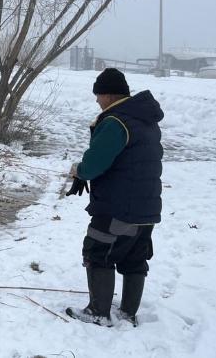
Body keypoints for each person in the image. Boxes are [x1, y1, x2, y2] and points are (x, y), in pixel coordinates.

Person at [65, 68, 164, 327]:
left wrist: (80, 170)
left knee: (98, 251)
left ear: (108, 95)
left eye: (98, 95)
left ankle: (98, 312)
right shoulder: (145, 120)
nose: (97, 100)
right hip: (147, 206)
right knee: (134, 258)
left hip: (118, 206)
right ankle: (127, 312)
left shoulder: (115, 122)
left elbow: (96, 162)